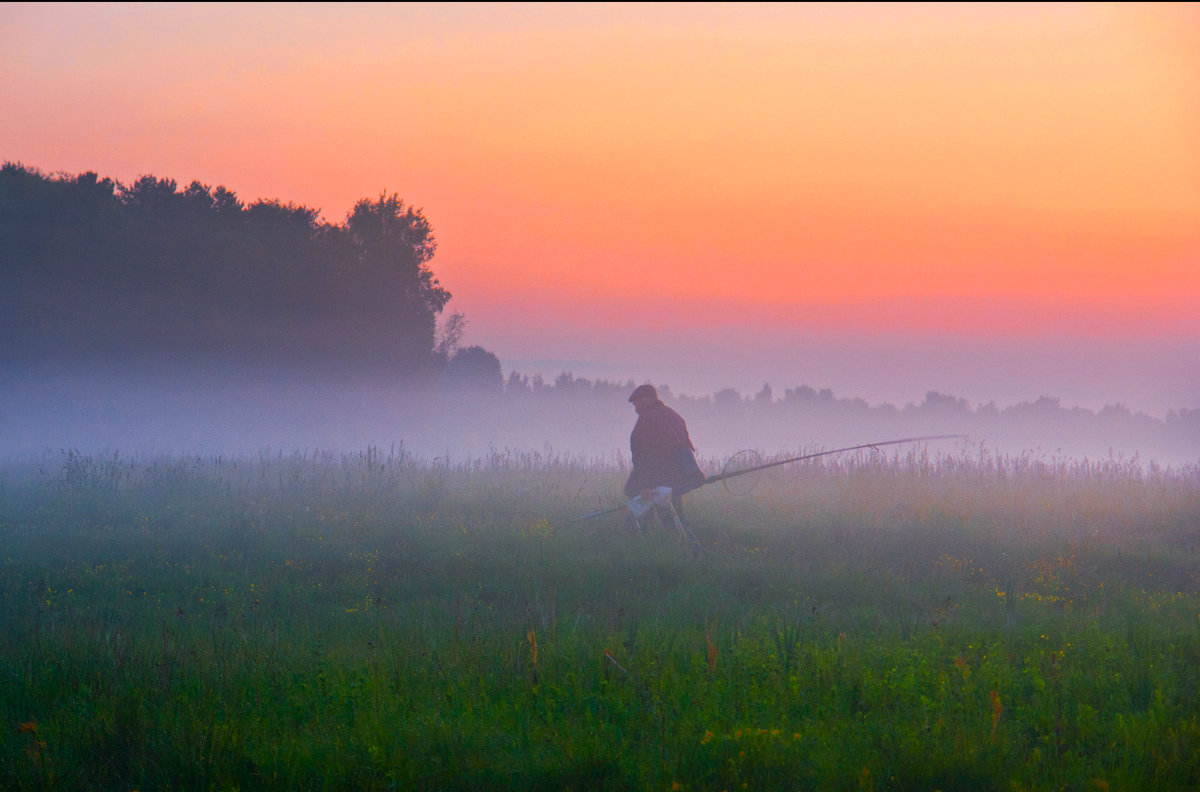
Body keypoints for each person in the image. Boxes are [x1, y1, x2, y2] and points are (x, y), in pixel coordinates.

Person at [623, 384, 706, 524]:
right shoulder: (674, 416)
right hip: (673, 480)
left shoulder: (646, 420)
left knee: (639, 519)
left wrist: (645, 486)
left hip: (654, 480)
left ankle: (641, 541)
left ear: (646, 400)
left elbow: (643, 456)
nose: (635, 409)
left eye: (636, 403)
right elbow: (686, 445)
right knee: (675, 520)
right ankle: (680, 542)